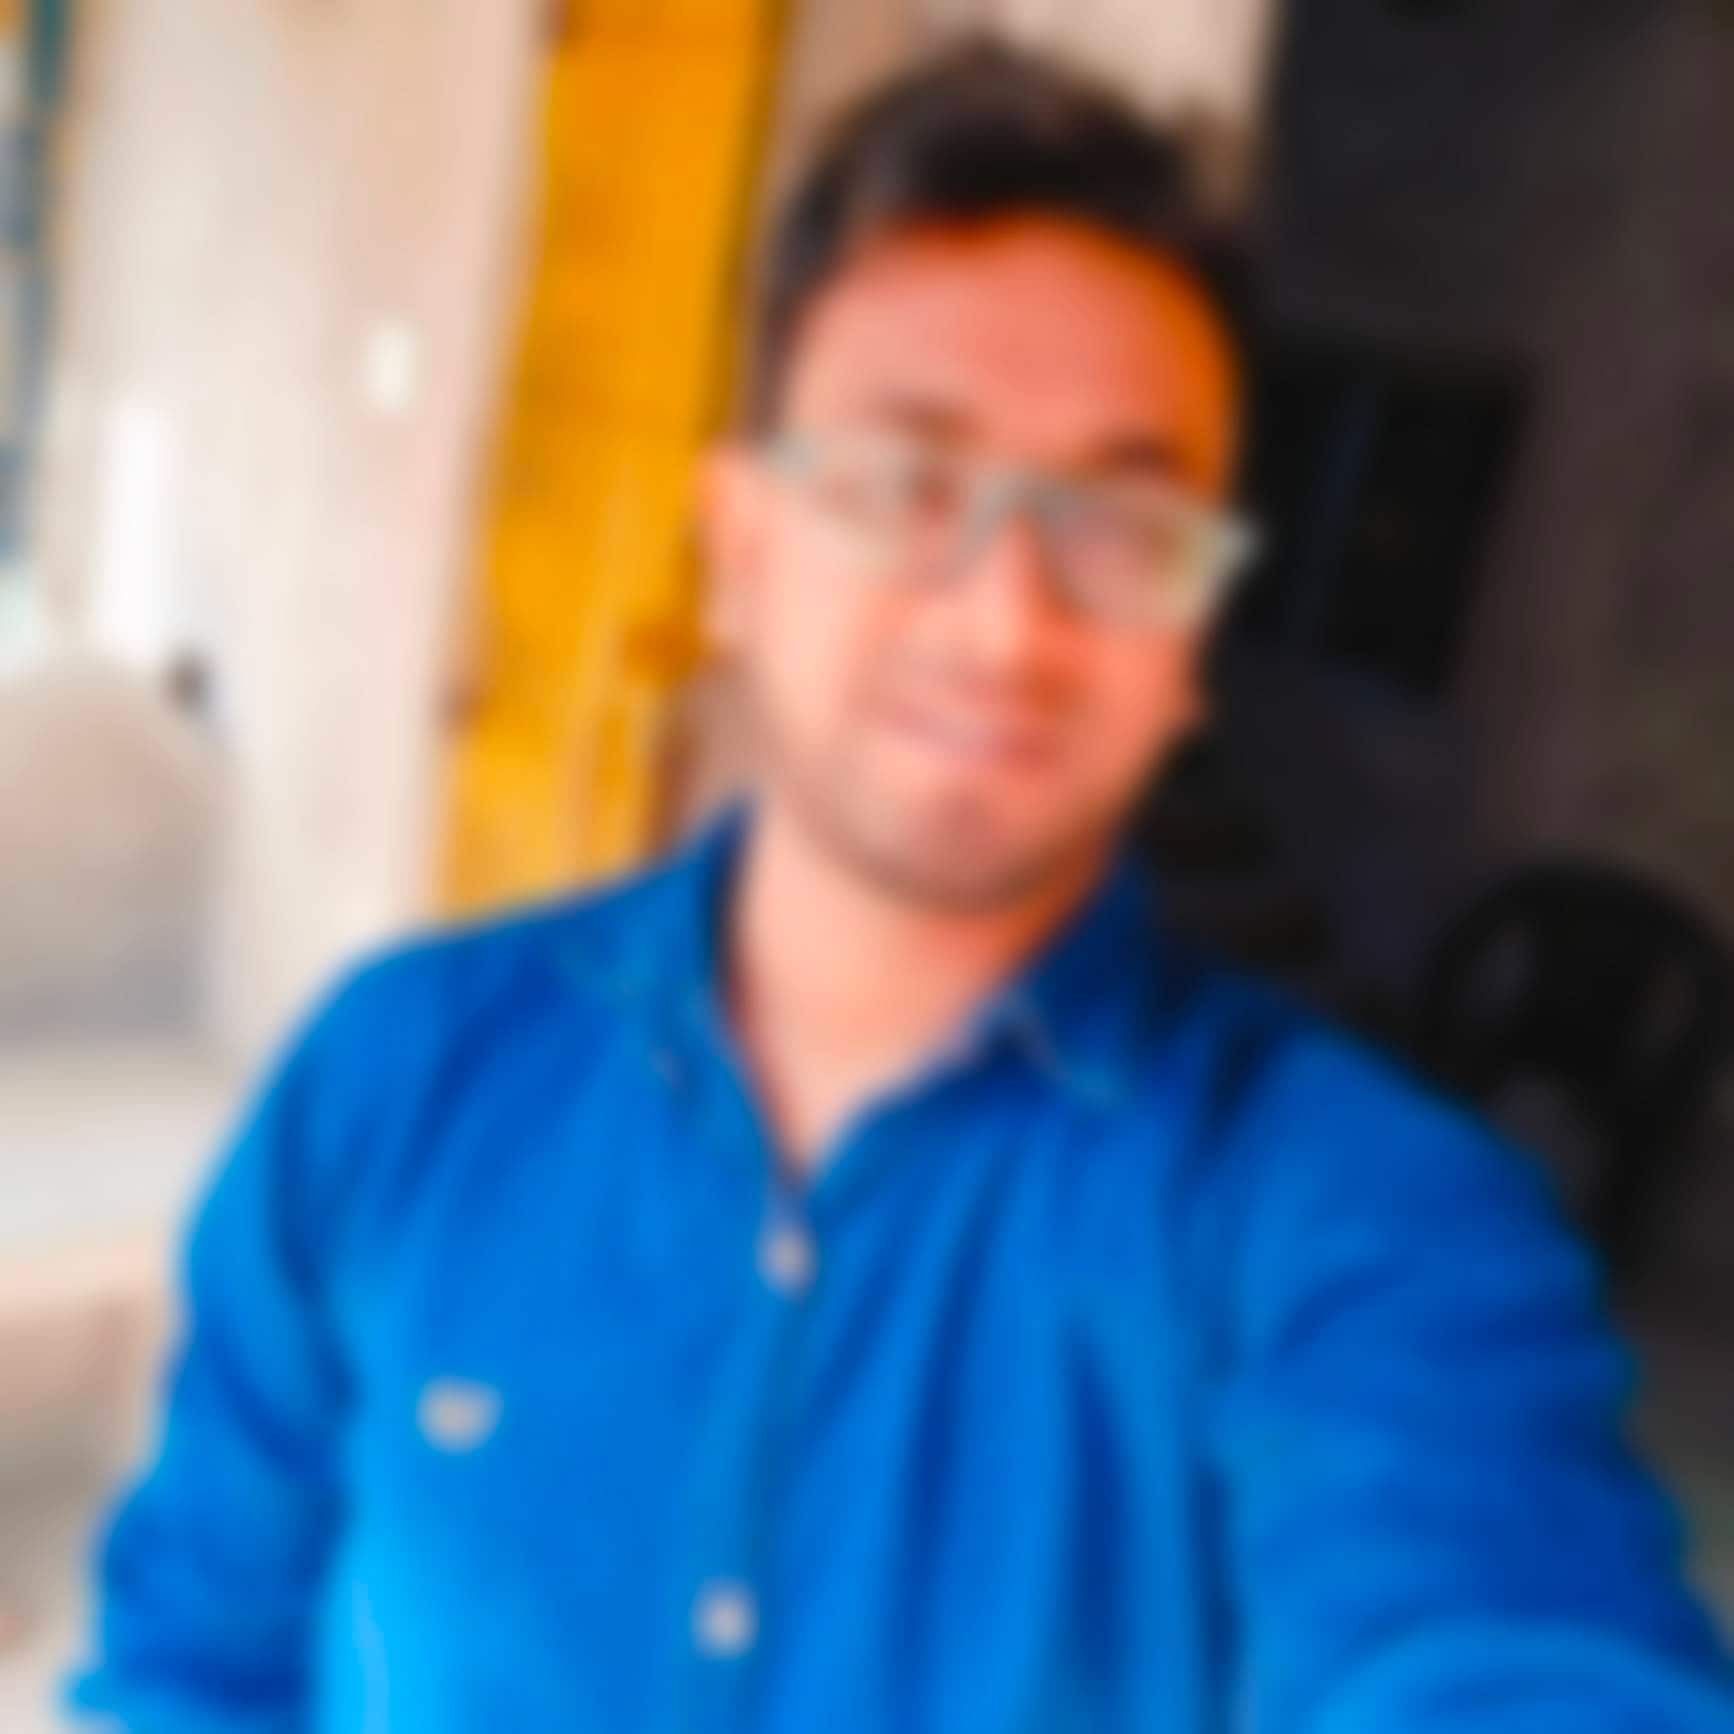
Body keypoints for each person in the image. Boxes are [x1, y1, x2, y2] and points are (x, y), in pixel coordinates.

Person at [68, 41, 1734, 1734]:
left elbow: (1498, 1643)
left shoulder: (1357, 1221)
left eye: (1121, 524)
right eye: (903, 483)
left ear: (1191, 636)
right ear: (739, 550)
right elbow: (192, 1661)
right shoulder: (395, 1079)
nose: (1006, 621)